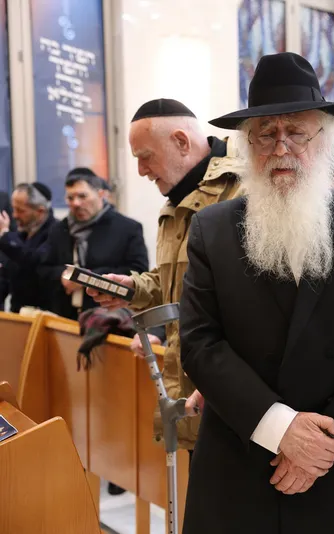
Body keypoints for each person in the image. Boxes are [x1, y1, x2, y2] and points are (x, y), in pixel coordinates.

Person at [177, 52, 334, 533]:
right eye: (265, 134)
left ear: (325, 140)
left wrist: (329, 438)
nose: (280, 147)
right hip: (245, 457)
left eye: (296, 133)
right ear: (248, 145)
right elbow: (200, 342)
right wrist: (280, 428)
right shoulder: (211, 228)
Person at [87, 98, 246, 453]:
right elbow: (178, 286)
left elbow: (255, 301)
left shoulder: (241, 190)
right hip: (188, 387)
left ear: (181, 141)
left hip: (232, 391)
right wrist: (132, 288)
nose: (141, 170)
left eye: (145, 156)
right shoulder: (177, 200)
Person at [38, 168, 149, 320]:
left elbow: (138, 272)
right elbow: (43, 269)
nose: (76, 203)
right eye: (70, 198)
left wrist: (87, 279)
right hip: (64, 316)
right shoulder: (59, 229)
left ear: (101, 194)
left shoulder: (127, 228)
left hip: (108, 317)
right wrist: (62, 276)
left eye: (82, 196)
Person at [0, 183, 56, 312]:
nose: (14, 215)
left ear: (40, 211)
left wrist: (5, 235)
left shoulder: (56, 233)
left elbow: (34, 261)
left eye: (20, 211)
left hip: (44, 312)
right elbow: (6, 275)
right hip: (18, 312)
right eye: (13, 209)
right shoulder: (21, 234)